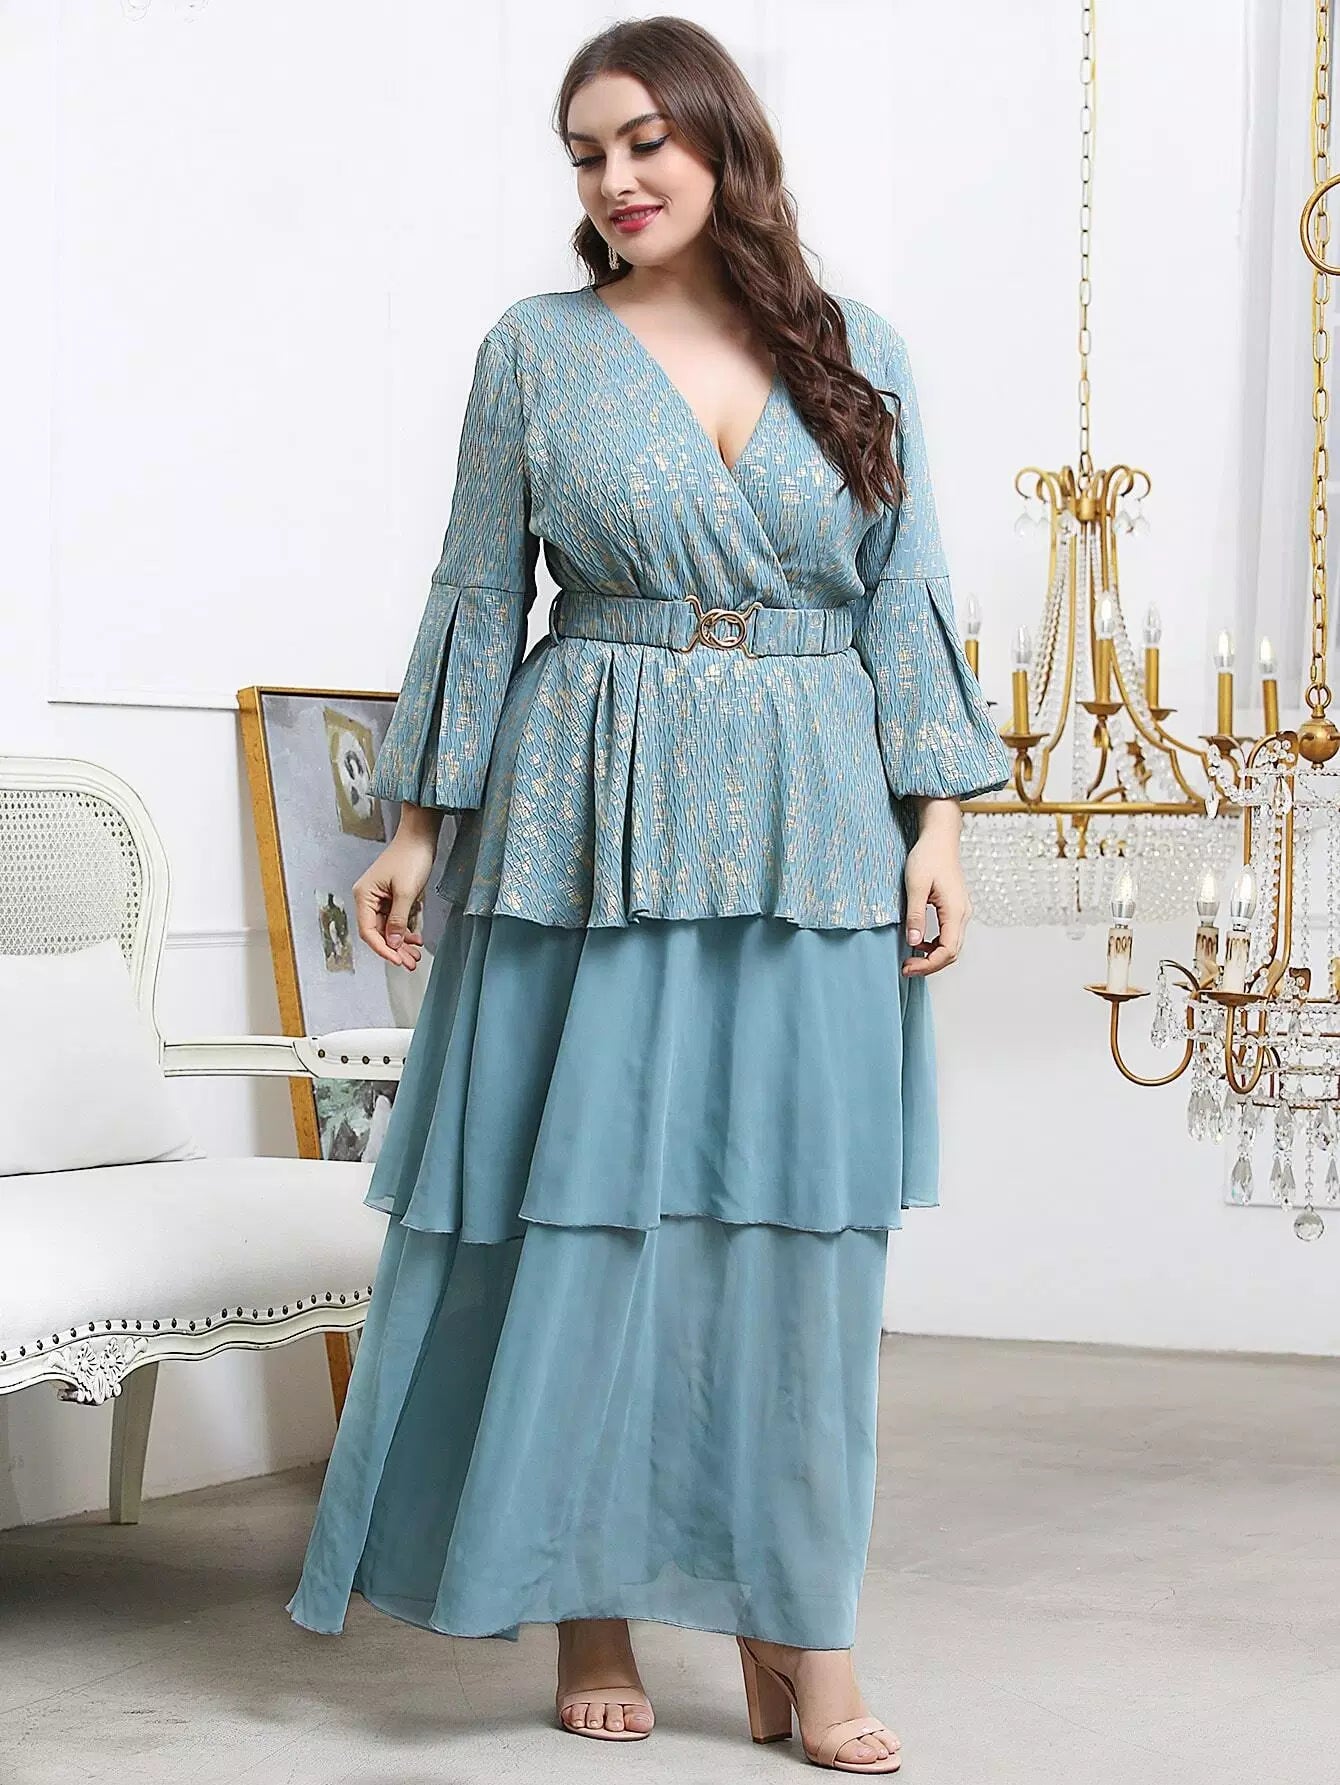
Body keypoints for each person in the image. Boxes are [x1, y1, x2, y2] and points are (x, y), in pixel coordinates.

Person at [285, 15, 1010, 1775]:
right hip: (587, 811)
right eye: (586, 154)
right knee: (586, 1212)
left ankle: (800, 1629)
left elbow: (906, 591)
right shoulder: (535, 351)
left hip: (817, 814)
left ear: (719, 142)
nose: (615, 179)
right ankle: (587, 1601)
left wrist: (939, 823)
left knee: (800, 1243)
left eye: (642, 142)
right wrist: (416, 826)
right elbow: (478, 590)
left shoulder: (861, 348)